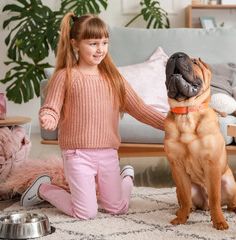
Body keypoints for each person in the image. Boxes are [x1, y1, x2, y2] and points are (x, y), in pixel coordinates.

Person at [20, 13, 166, 219]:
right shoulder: (65, 76)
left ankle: (126, 179)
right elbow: (51, 106)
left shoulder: (115, 79)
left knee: (117, 208)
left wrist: (170, 124)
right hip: (77, 155)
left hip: (108, 153)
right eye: (93, 43)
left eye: (105, 42)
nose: (100, 49)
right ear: (75, 44)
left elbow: (141, 110)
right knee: (85, 213)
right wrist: (49, 117)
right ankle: (43, 188)